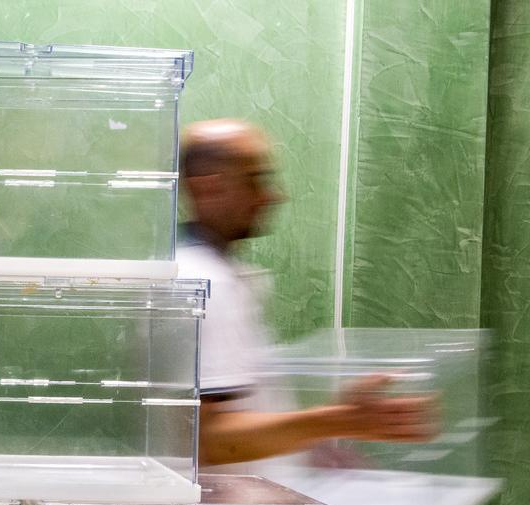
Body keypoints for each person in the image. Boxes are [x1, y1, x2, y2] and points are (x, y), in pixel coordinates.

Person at [174, 118, 438, 468]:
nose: (272, 196)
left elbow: (240, 418)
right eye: (255, 180)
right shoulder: (203, 283)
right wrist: (342, 419)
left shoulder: (219, 274)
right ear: (207, 187)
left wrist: (316, 442)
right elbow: (211, 441)